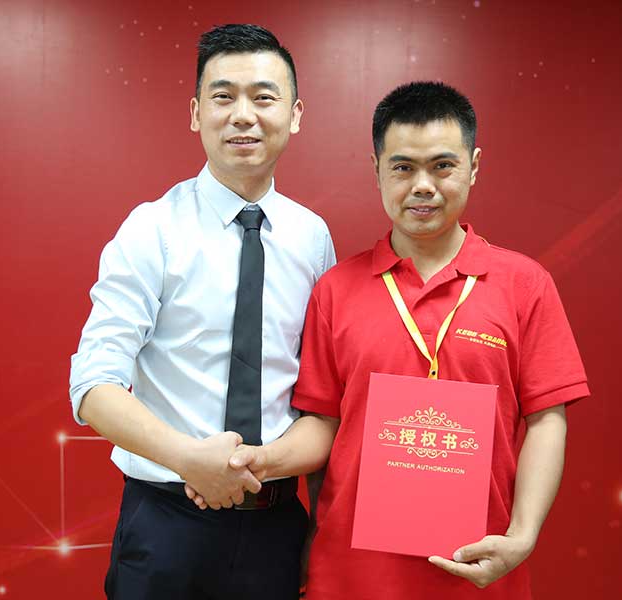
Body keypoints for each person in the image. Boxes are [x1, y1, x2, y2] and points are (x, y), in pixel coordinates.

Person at [209, 81, 590, 599]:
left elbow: (547, 420)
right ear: (377, 170)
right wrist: (255, 463)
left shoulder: (525, 285)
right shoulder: (335, 290)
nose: (423, 186)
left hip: (477, 570)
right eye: (403, 167)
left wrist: (521, 536)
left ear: (474, 165)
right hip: (349, 577)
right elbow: (322, 425)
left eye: (443, 166)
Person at [68, 24, 335, 600]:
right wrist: (191, 460)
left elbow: (321, 393)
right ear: (195, 113)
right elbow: (92, 385)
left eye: (263, 97)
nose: (243, 115)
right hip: (166, 524)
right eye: (223, 96)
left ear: (294, 115)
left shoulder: (312, 238)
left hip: (276, 525)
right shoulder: (152, 229)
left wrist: (311, 515)